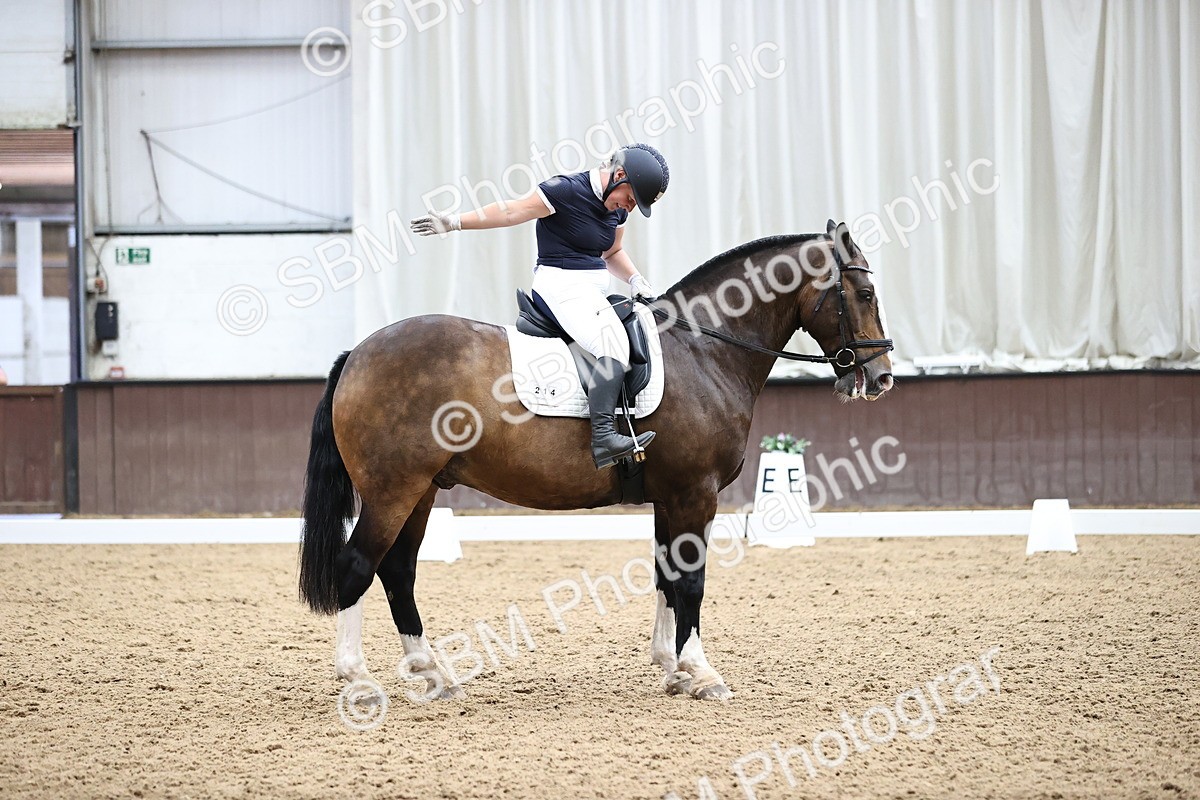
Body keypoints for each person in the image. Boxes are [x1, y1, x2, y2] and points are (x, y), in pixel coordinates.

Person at [411, 143, 669, 469]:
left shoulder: (617, 209)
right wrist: (455, 222)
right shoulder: (566, 190)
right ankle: (603, 438)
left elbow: (612, 252)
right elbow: (511, 211)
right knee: (613, 343)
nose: (630, 209)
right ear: (619, 175)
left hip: (591, 291)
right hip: (559, 286)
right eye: (631, 199)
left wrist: (635, 279)